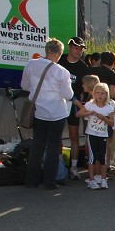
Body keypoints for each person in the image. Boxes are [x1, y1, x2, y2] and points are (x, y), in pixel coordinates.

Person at [21, 37, 73, 190]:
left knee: (37, 145)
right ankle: (50, 182)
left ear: (46, 50)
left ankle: (31, 180)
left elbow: (24, 85)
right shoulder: (61, 71)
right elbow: (68, 95)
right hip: (57, 113)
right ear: (59, 53)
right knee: (53, 147)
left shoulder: (30, 64)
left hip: (38, 112)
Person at [57, 36, 89, 180]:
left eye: (81, 49)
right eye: (76, 48)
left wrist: (82, 101)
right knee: (56, 135)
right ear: (69, 47)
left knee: (74, 136)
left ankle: (74, 167)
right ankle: (58, 165)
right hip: (56, 102)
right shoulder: (60, 60)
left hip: (73, 104)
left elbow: (86, 88)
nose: (79, 51)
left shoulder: (83, 67)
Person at [76, 82, 115, 190]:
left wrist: (104, 118)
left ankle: (103, 179)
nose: (100, 95)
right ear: (94, 94)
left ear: (106, 95)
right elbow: (78, 114)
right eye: (97, 93)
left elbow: (112, 123)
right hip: (92, 134)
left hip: (103, 135)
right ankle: (92, 180)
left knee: (103, 158)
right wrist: (88, 113)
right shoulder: (90, 105)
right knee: (92, 158)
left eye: (102, 93)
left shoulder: (109, 107)